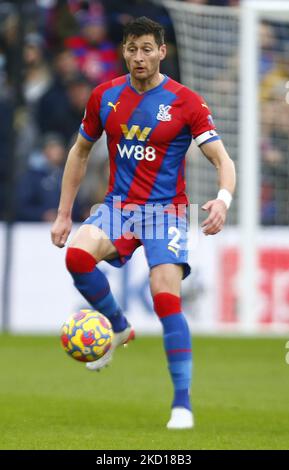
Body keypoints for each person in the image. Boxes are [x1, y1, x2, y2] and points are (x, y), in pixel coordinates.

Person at [51, 16, 236, 429]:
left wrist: (223, 200)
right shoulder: (104, 96)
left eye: (147, 49)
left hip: (165, 212)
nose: (139, 57)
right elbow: (80, 152)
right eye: (132, 49)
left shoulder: (186, 101)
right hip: (119, 207)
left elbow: (223, 160)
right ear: (124, 51)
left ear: (162, 52)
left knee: (164, 298)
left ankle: (182, 405)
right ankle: (118, 327)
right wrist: (64, 213)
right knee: (78, 257)